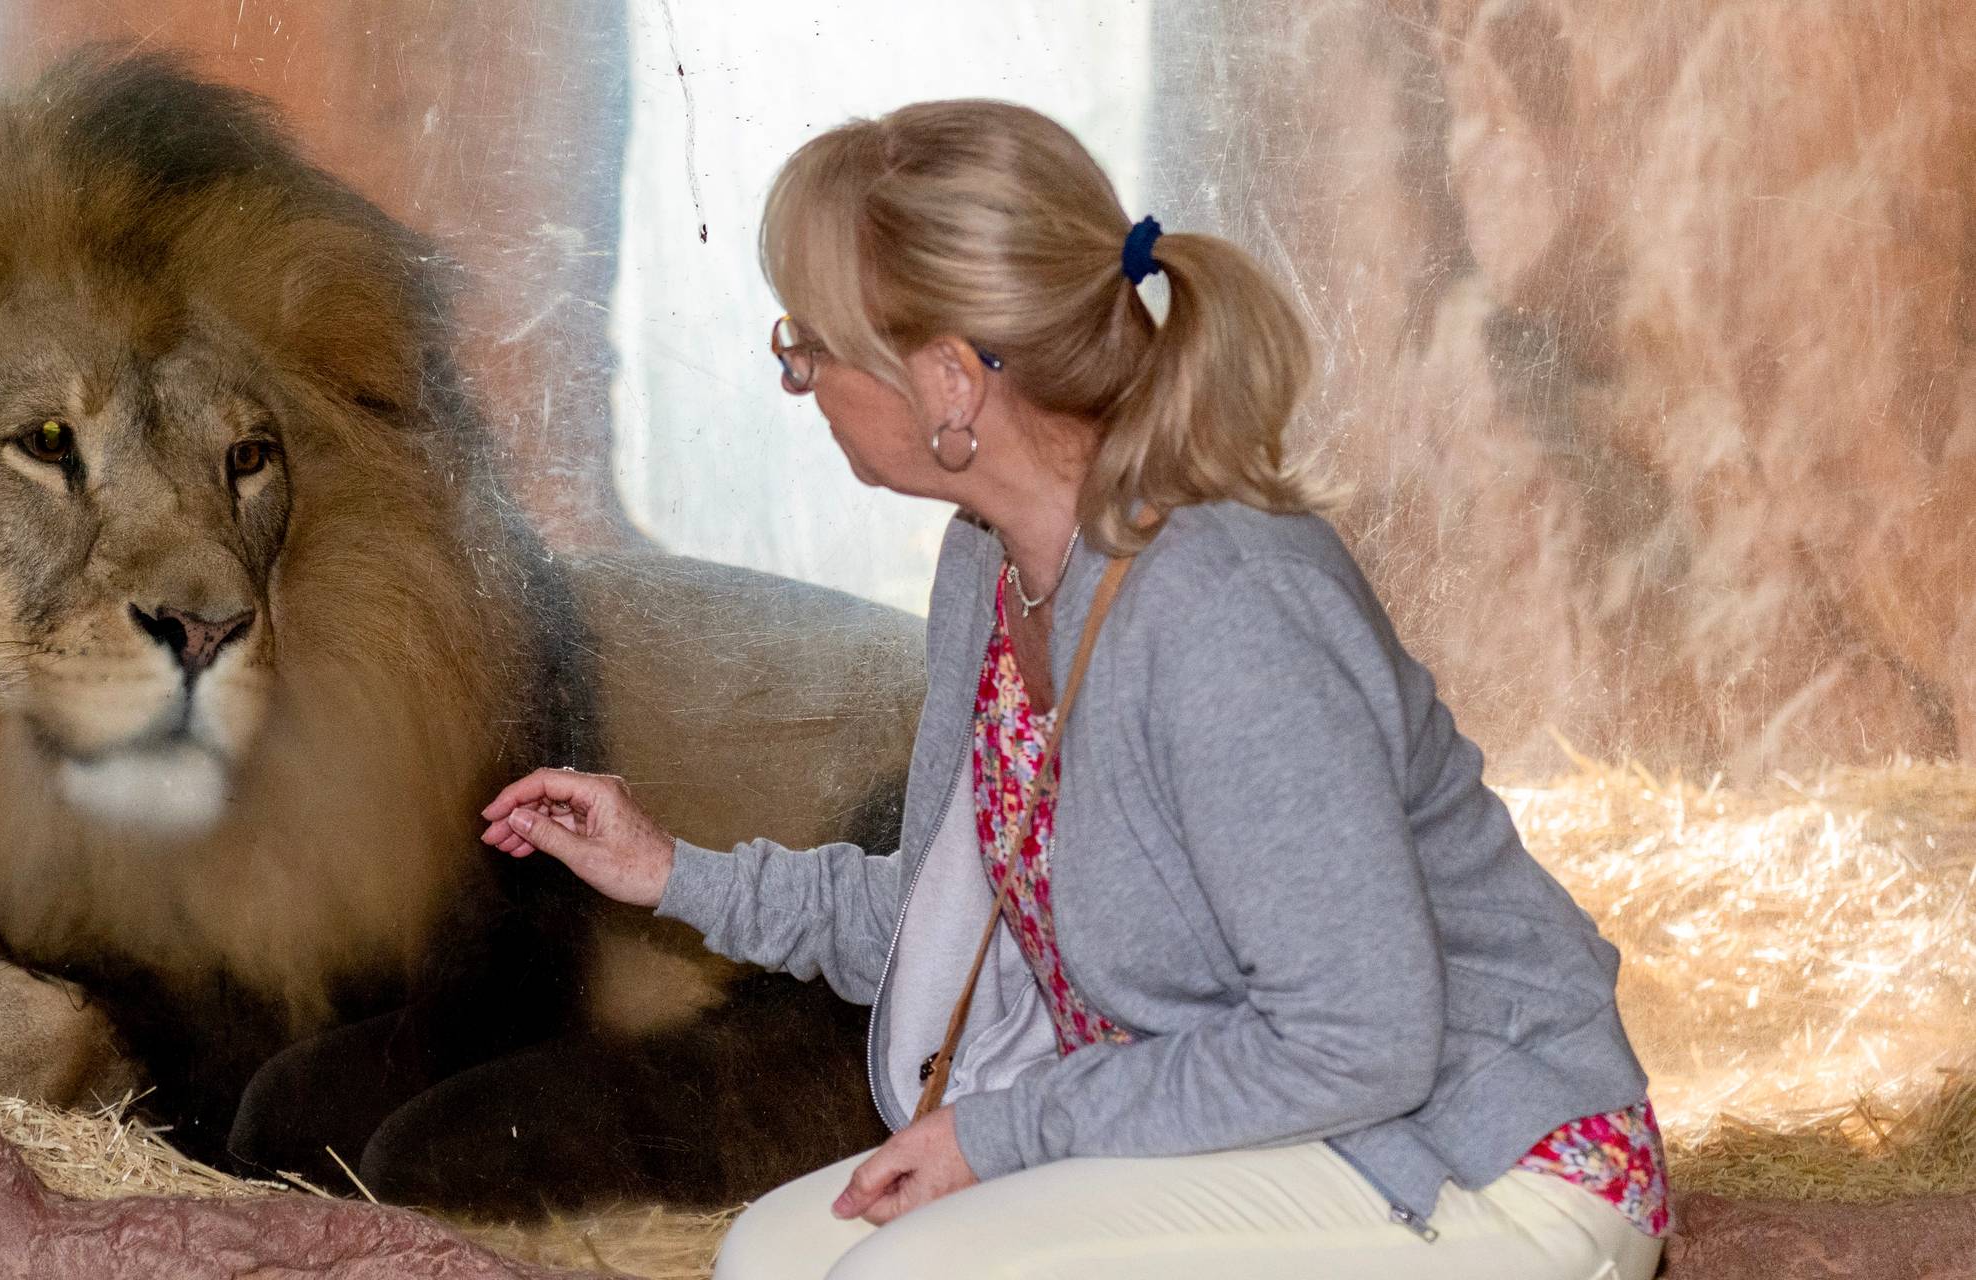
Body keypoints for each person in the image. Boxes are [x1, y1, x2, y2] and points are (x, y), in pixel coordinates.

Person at [477, 99, 1667, 1280]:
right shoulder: (991, 566)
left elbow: (1363, 1041)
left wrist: (1011, 1131)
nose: (802, 381)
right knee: (769, 1257)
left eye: (814, 344)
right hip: (1270, 1126)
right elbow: (936, 929)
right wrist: (670, 869)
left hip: (1474, 1157)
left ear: (949, 378)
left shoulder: (1226, 606)